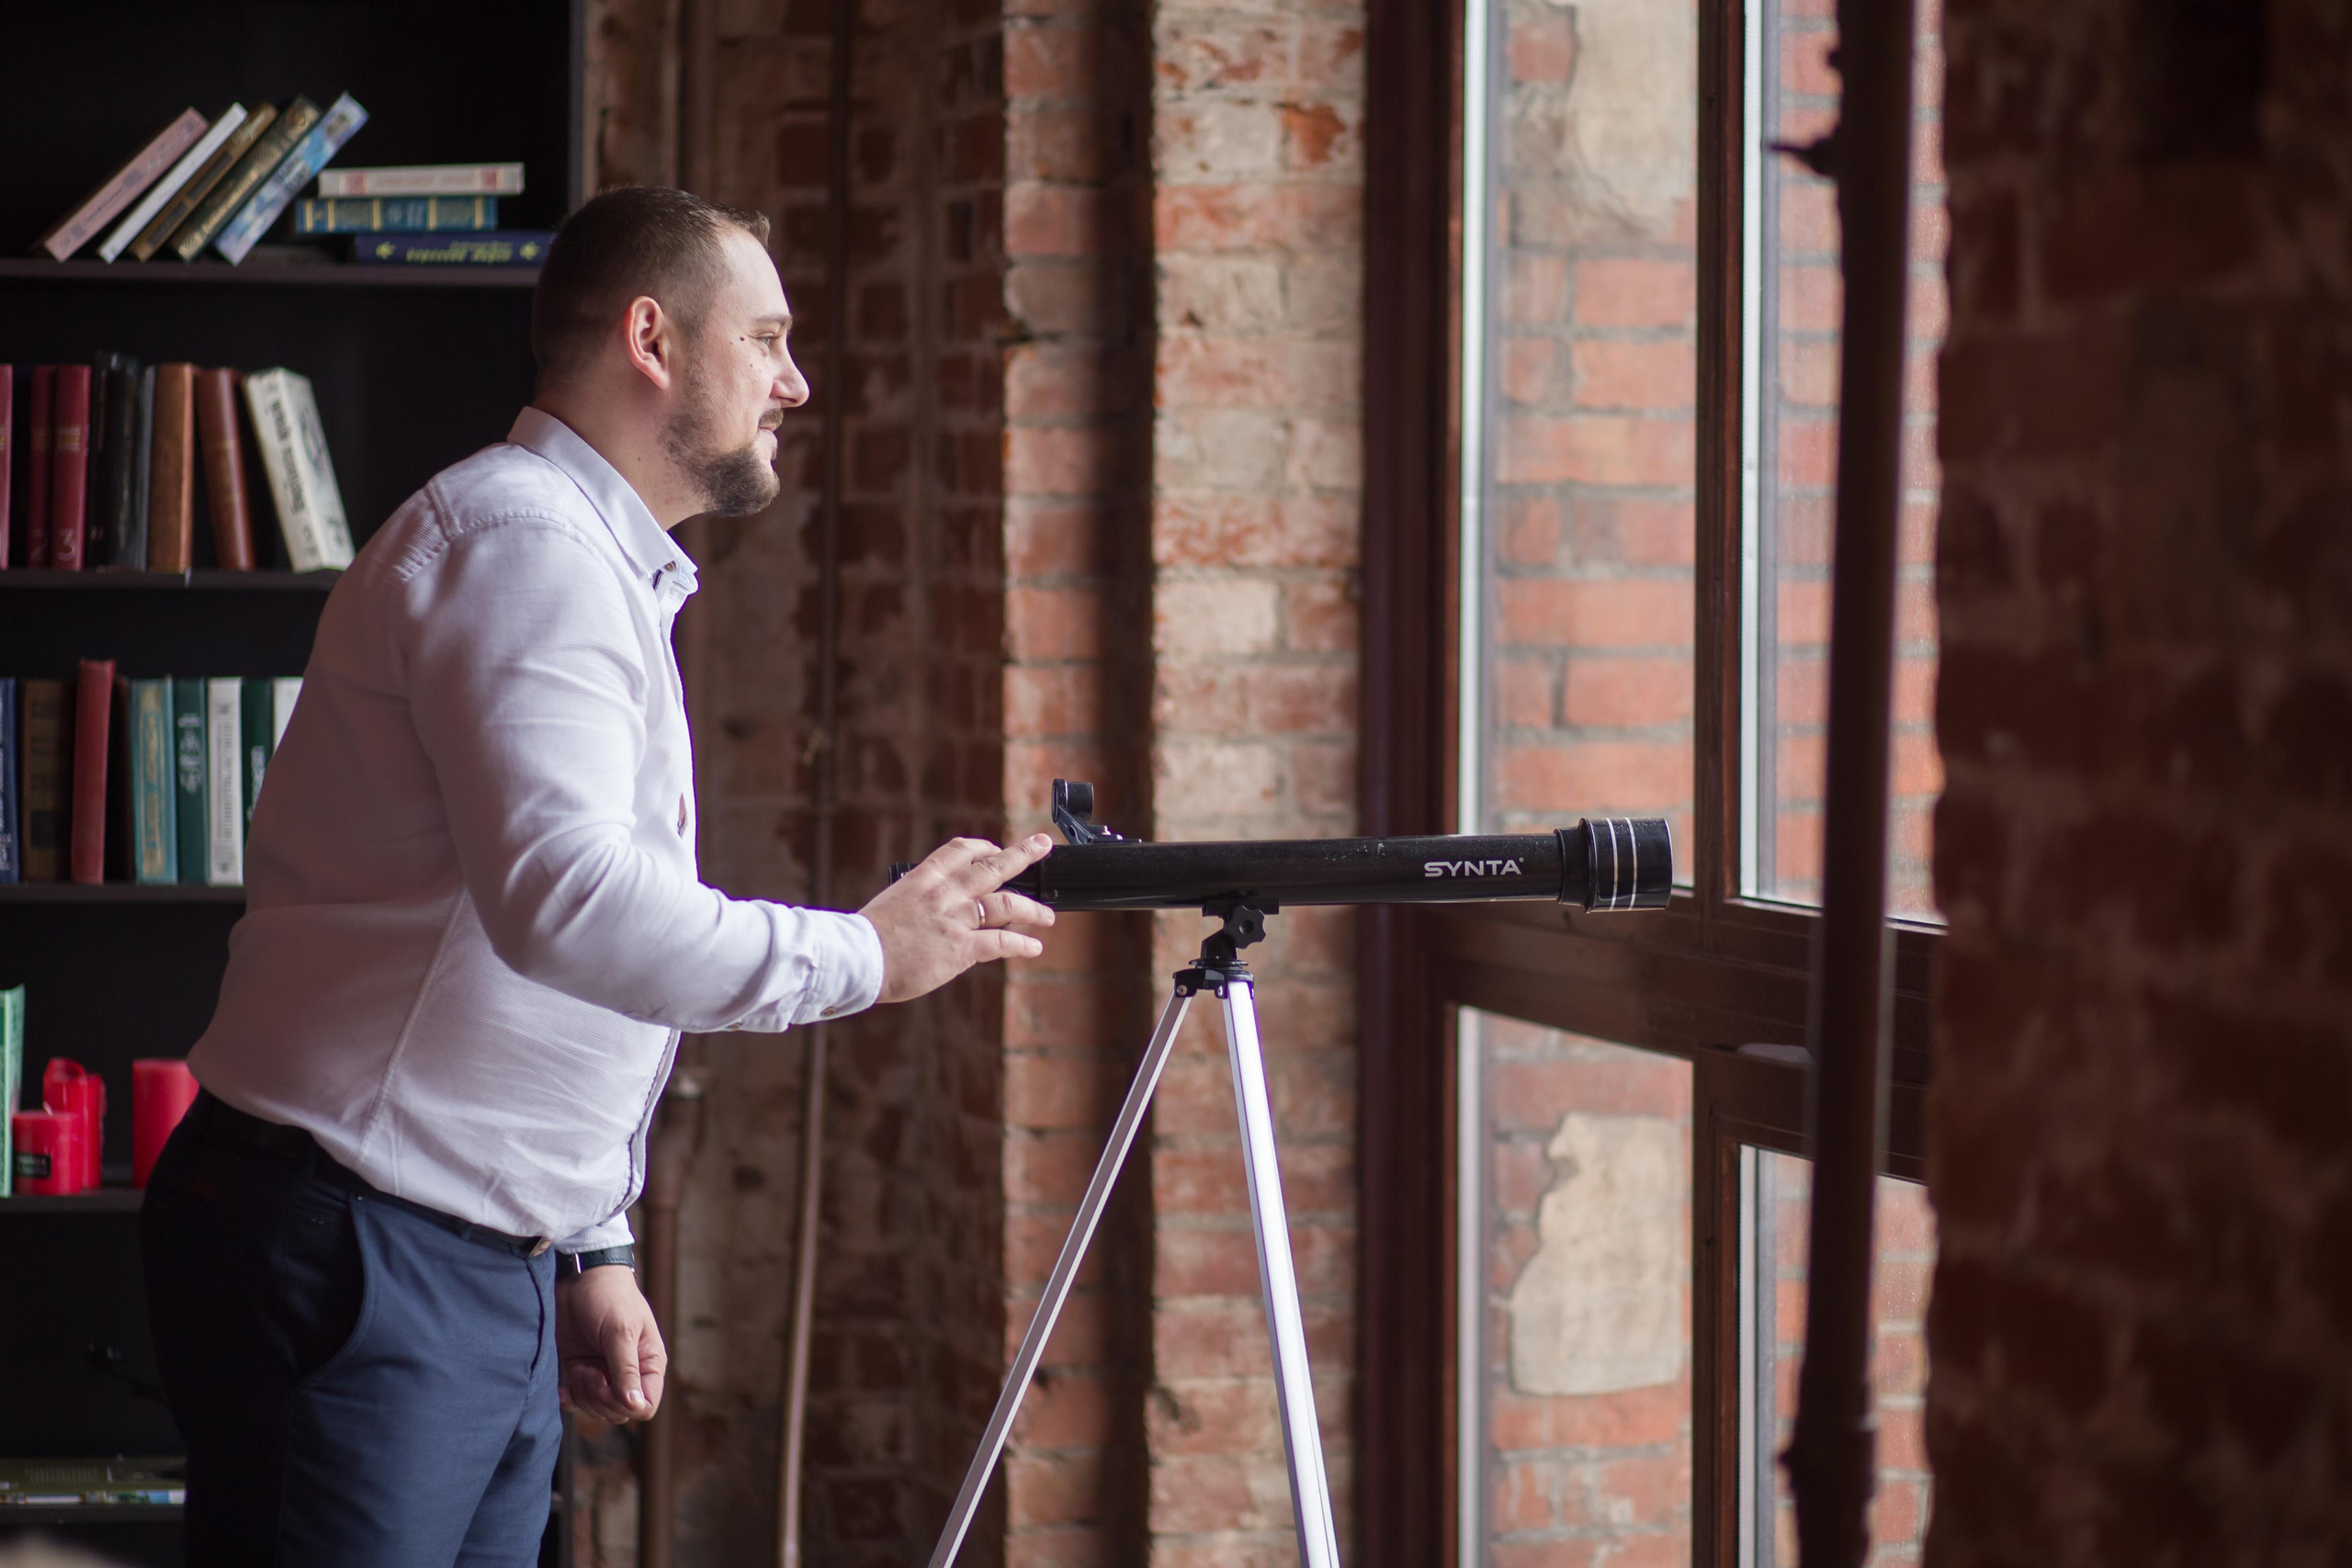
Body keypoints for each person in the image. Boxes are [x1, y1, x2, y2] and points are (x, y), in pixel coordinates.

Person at [139, 186, 1055, 1567]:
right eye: (767, 339)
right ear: (651, 340)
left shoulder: (578, 555)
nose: (796, 383)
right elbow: (565, 903)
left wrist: (587, 1244)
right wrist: (868, 956)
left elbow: (526, 968)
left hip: (447, 1252)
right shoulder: (528, 547)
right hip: (366, 1252)